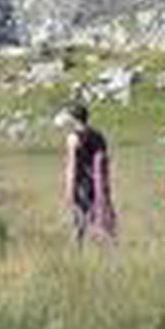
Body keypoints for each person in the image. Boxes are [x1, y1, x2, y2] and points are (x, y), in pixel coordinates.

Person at [64, 104, 116, 245]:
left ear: (73, 118)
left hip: (81, 182)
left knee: (79, 219)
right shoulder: (98, 136)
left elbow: (72, 164)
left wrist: (69, 189)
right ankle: (106, 245)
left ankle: (78, 251)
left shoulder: (73, 138)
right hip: (98, 181)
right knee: (98, 213)